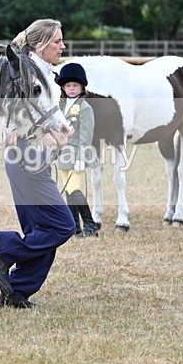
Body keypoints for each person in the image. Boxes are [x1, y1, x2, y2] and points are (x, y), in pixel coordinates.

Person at [0, 19, 76, 308]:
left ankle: (16, 292)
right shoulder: (31, 74)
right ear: (40, 45)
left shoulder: (40, 72)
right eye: (57, 41)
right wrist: (18, 136)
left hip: (30, 156)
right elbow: (12, 110)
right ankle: (3, 256)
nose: (63, 46)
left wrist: (57, 133)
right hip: (27, 156)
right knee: (62, 225)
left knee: (42, 229)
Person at [56, 62, 100, 237]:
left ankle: (90, 225)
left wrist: (81, 158)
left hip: (77, 154)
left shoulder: (85, 108)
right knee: (68, 190)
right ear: (63, 87)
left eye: (75, 85)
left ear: (81, 87)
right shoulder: (60, 106)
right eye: (68, 85)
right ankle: (75, 227)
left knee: (75, 188)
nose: (71, 88)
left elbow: (86, 135)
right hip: (64, 154)